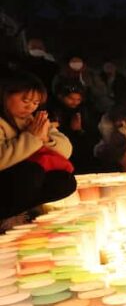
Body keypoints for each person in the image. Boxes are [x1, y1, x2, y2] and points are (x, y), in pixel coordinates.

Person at [0, 73, 76, 220]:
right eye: (25, 100)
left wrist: (45, 138)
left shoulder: (33, 119)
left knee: (64, 181)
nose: (30, 107)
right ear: (5, 94)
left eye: (35, 103)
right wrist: (32, 138)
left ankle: (23, 212)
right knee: (31, 172)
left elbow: (66, 150)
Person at [49, 83, 98, 172]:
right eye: (71, 98)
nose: (75, 102)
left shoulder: (82, 111)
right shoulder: (55, 111)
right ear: (61, 97)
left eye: (78, 99)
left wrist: (79, 130)